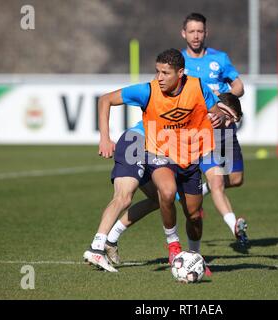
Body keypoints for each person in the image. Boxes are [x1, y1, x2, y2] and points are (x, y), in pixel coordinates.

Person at [83, 48, 233, 272]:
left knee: (174, 206)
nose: (159, 77)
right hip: (142, 145)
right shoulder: (148, 91)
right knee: (135, 195)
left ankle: (112, 240)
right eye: (157, 72)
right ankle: (98, 248)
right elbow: (105, 99)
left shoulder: (197, 88)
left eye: (165, 73)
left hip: (178, 154)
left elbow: (215, 112)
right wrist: (105, 138)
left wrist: (221, 117)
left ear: (180, 73)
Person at [181, 12, 248, 242]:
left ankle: (203, 189)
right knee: (218, 181)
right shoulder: (179, 62)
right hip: (197, 133)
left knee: (237, 179)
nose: (196, 36)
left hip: (224, 129)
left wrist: (223, 94)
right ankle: (234, 227)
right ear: (184, 34)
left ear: (206, 33)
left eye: (200, 31)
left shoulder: (219, 59)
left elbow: (239, 86)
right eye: (192, 31)